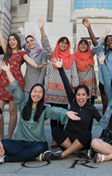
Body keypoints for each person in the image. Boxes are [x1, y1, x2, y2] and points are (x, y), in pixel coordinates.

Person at [0, 62, 80, 163]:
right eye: (35, 91)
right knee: (4, 143)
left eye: (40, 92)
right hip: (22, 143)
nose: (37, 94)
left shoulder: (44, 110)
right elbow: (16, 87)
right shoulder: (22, 104)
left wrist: (66, 112)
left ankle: (9, 158)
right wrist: (7, 71)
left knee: (42, 146)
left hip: (38, 143)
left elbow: (55, 110)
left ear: (42, 96)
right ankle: (34, 156)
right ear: (30, 92)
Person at [39, 58, 102, 160]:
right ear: (75, 96)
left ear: (87, 96)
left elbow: (102, 122)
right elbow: (67, 84)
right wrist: (60, 69)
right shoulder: (73, 102)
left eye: (83, 95)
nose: (80, 97)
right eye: (78, 95)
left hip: (82, 142)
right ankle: (77, 152)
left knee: (87, 134)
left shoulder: (91, 108)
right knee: (55, 130)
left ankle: (63, 155)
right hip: (67, 140)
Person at [0, 30, 47, 140]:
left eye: (14, 39)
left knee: (13, 111)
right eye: (10, 40)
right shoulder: (6, 52)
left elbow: (29, 60)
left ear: (18, 41)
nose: (11, 41)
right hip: (2, 83)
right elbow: (0, 37)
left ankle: (8, 138)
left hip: (15, 83)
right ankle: (0, 137)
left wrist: (37, 66)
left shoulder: (22, 53)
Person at [37, 18, 78, 148]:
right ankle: (55, 138)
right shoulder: (53, 55)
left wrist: (75, 88)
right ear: (58, 43)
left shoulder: (72, 58)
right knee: (54, 115)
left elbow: (74, 74)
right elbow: (46, 46)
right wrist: (42, 29)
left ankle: (61, 137)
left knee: (64, 115)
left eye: (66, 43)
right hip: (54, 91)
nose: (64, 45)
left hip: (66, 92)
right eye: (62, 42)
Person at [84, 19, 112, 114]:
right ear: (105, 43)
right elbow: (95, 43)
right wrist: (89, 27)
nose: (110, 42)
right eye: (107, 41)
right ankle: (105, 127)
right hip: (104, 82)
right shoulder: (103, 52)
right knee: (106, 106)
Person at [19, 27, 48, 93]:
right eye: (28, 42)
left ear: (35, 40)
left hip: (37, 84)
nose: (30, 43)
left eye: (32, 40)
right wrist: (22, 32)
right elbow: (23, 45)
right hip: (27, 85)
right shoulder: (28, 53)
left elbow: (43, 70)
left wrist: (38, 84)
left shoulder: (42, 53)